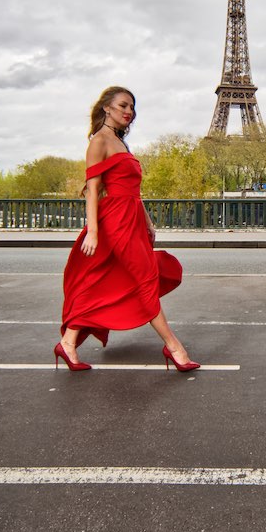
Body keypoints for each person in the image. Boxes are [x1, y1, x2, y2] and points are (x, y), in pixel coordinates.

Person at [56, 86, 200, 373]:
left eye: (132, 107)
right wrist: (94, 231)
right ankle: (174, 348)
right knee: (145, 279)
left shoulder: (121, 143)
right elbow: (93, 190)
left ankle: (68, 342)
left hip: (131, 218)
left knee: (107, 281)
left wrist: (147, 222)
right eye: (123, 105)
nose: (129, 112)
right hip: (116, 221)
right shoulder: (100, 141)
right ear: (106, 107)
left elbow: (135, 191)